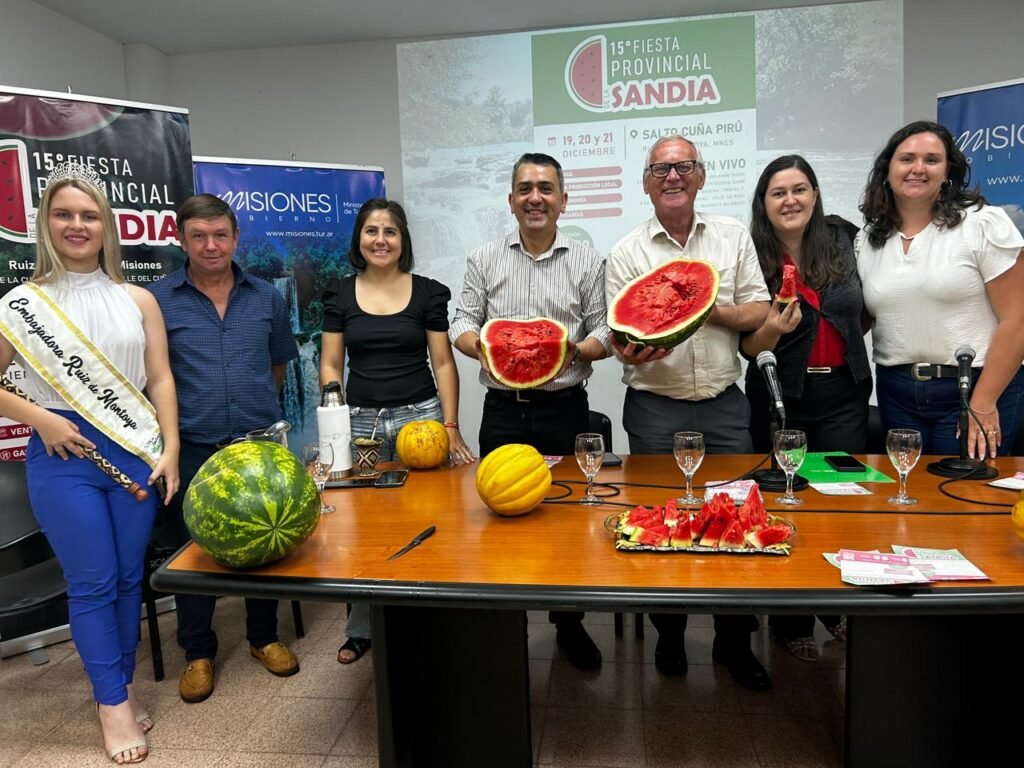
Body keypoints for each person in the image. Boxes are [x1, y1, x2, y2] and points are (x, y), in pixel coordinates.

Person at [0, 164, 179, 764]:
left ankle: (118, 685)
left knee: (129, 578)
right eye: (64, 214)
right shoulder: (22, 304)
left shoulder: (138, 299)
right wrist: (41, 418)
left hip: (135, 451)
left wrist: (171, 448)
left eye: (89, 215)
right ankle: (111, 705)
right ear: (45, 225)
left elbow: (159, 378)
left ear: (106, 226)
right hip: (63, 456)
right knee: (94, 581)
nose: (77, 225)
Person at [605, 135, 772, 690]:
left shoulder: (731, 235)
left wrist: (703, 307)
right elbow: (621, 333)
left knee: (734, 520)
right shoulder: (627, 252)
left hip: (725, 405)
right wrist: (630, 348)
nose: (672, 176)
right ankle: (670, 634)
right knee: (661, 522)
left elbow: (758, 308)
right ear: (646, 182)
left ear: (701, 176)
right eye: (660, 169)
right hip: (654, 408)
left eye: (683, 167)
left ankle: (733, 641)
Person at [450, 152, 612, 671]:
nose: (534, 197)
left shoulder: (588, 261)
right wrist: (487, 348)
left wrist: (574, 350)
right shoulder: (484, 258)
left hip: (566, 408)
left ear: (563, 200)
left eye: (545, 188)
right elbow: (462, 321)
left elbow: (605, 330)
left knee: (566, 521)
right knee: (500, 516)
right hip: (503, 409)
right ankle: (506, 623)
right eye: (525, 188)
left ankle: (569, 622)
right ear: (511, 200)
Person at [148, 194, 301, 704]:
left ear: (236, 239)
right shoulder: (157, 300)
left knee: (265, 540)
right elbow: (153, 376)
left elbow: (278, 363)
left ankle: (264, 637)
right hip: (192, 447)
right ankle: (198, 651)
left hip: (258, 444)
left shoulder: (266, 297)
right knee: (191, 550)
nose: (210, 245)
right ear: (181, 239)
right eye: (199, 236)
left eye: (220, 235)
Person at [320, 197, 474, 664]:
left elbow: (443, 363)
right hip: (360, 423)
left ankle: (432, 620)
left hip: (420, 419)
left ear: (402, 239)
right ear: (359, 239)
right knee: (363, 529)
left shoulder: (428, 293)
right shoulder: (339, 295)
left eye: (390, 231)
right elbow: (331, 363)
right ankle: (361, 628)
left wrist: (450, 426)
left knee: (430, 520)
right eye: (371, 230)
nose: (381, 239)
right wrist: (333, 426)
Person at [741, 155, 871, 661]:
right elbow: (748, 347)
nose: (790, 200)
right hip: (780, 399)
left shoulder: (845, 240)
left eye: (799, 189)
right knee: (785, 504)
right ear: (764, 203)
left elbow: (863, 312)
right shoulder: (750, 254)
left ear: (815, 195)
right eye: (778, 192)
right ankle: (790, 617)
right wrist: (775, 328)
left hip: (842, 397)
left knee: (838, 504)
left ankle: (835, 607)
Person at [858, 120, 1024, 457]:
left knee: (966, 488)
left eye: (932, 160)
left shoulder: (982, 223)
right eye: (907, 159)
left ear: (948, 171)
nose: (918, 168)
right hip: (896, 391)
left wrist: (983, 401)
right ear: (887, 170)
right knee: (907, 485)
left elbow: (1018, 319)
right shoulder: (868, 239)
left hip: (974, 388)